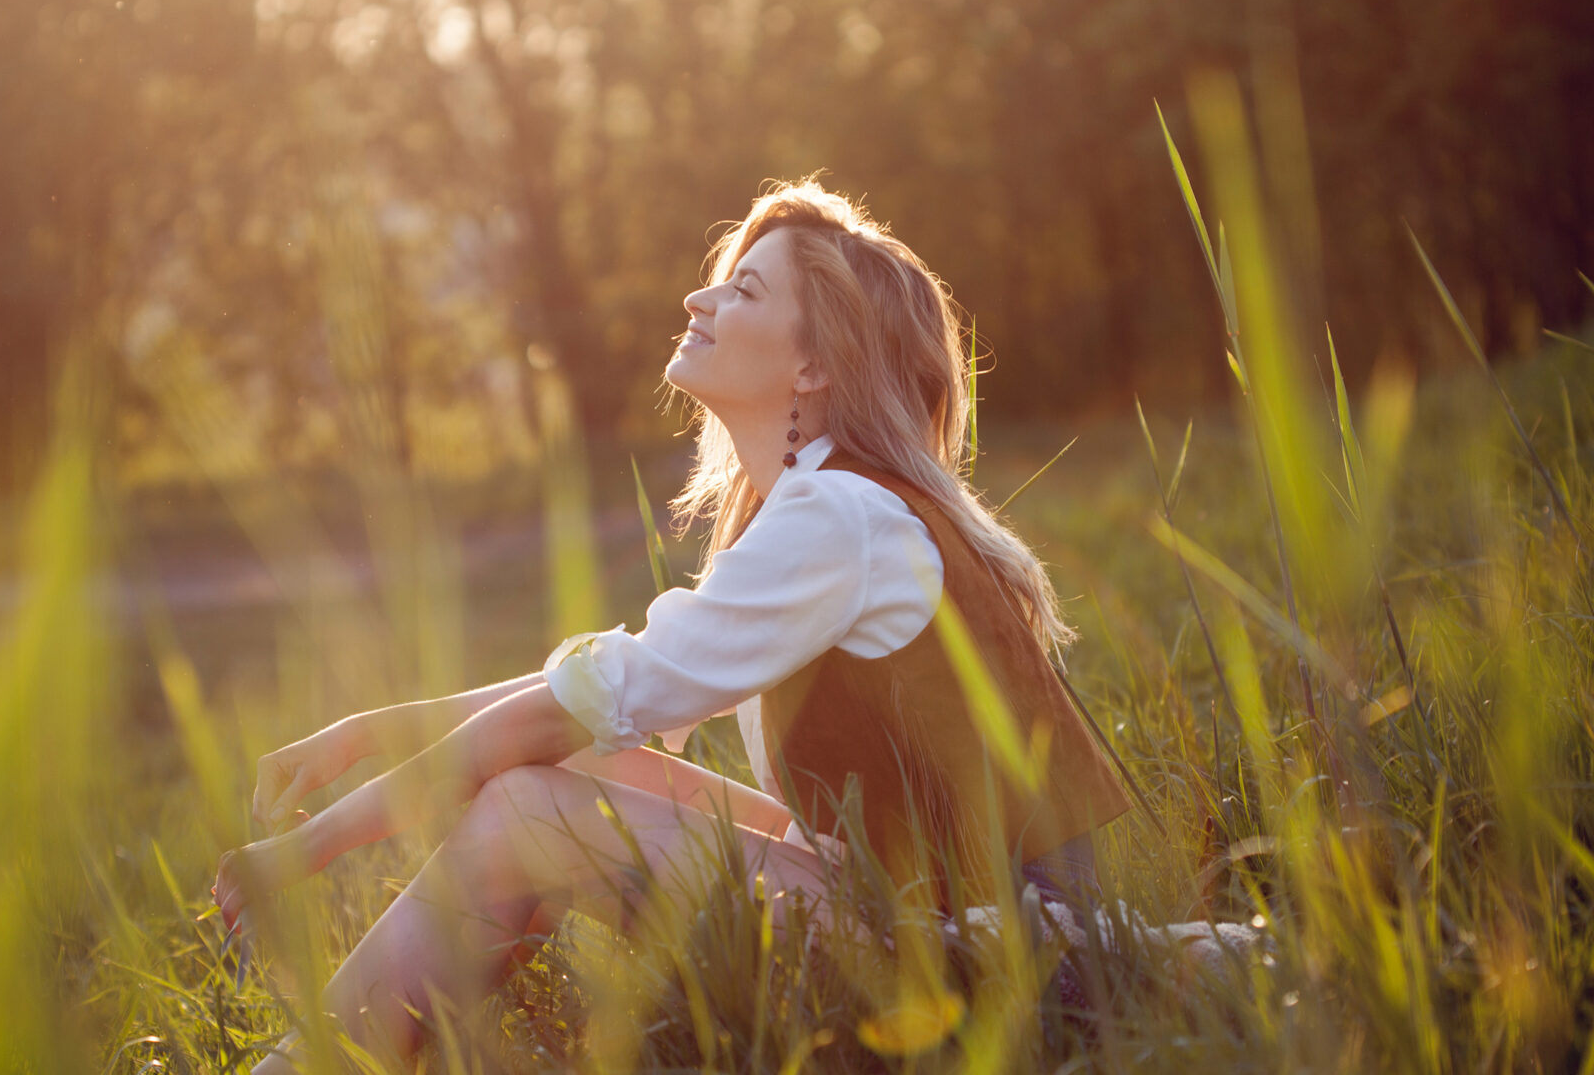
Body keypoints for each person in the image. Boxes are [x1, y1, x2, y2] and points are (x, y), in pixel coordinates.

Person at [212, 180, 1133, 1067]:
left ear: (813, 365)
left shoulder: (838, 518)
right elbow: (592, 701)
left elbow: (567, 708)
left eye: (743, 288)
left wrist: (305, 849)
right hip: (935, 911)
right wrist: (365, 734)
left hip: (1021, 956)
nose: (700, 295)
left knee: (528, 809)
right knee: (575, 766)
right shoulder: (826, 504)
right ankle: (390, 1042)